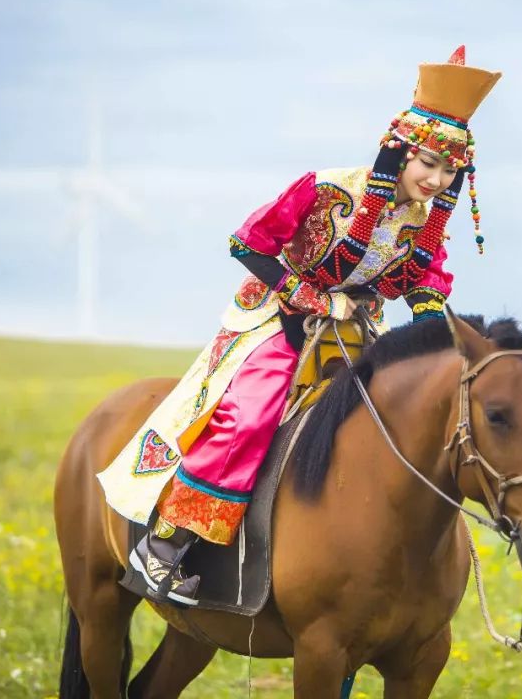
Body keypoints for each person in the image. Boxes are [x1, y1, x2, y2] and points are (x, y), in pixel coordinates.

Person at [96, 45, 501, 605]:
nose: (435, 179)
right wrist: (305, 294)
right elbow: (248, 242)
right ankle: (167, 545)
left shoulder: (422, 224)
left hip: (356, 327)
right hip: (274, 316)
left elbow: (427, 283)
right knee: (253, 412)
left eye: (448, 169)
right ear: (398, 154)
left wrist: (436, 339)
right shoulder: (327, 187)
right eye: (427, 163)